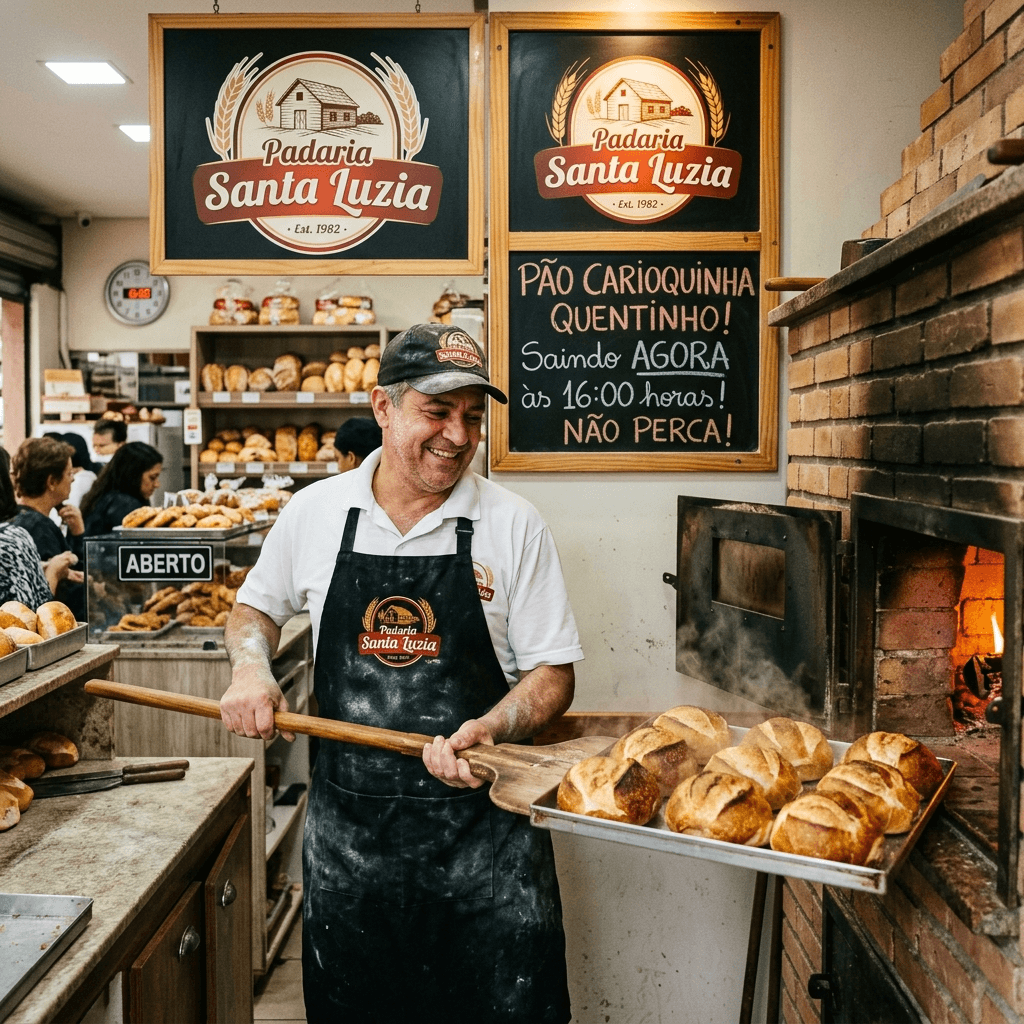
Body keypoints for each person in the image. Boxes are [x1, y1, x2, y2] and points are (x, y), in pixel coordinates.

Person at [220, 323, 582, 1023]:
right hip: (352, 855)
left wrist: (494, 725)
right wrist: (250, 670)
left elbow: (553, 674)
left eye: (472, 416)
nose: (458, 435)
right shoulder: (316, 512)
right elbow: (252, 612)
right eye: (437, 411)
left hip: (486, 852)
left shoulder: (513, 523)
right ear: (383, 407)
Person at [8, 437, 85, 617]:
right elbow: (62, 594)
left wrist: (76, 532)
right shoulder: (39, 528)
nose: (73, 479)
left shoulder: (16, 518)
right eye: (69, 473)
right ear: (51, 482)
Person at [80, 442, 163, 537]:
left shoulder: (100, 496)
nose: (157, 484)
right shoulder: (125, 505)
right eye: (152, 477)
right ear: (133, 474)